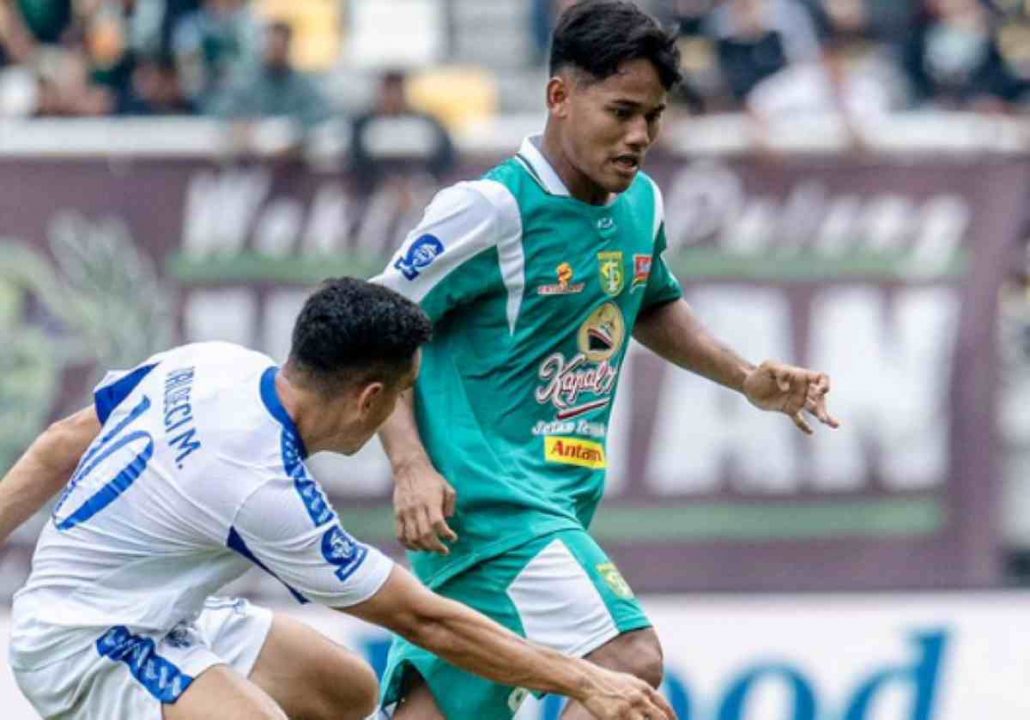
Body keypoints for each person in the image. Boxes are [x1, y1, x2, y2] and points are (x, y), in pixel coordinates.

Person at [372, 2, 840, 718]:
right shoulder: (489, 210)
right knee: (627, 664)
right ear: (560, 96)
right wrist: (410, 464)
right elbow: (375, 330)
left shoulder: (640, 203)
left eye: (652, 117)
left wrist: (746, 378)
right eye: (621, 111)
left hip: (543, 508)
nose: (639, 136)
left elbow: (650, 302)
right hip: (498, 511)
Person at [0, 278, 674, 720]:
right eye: (403, 393)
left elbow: (64, 439)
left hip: (165, 610)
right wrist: (585, 681)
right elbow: (425, 622)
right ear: (369, 399)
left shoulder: (213, 361)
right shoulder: (265, 487)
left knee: (346, 692)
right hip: (85, 642)